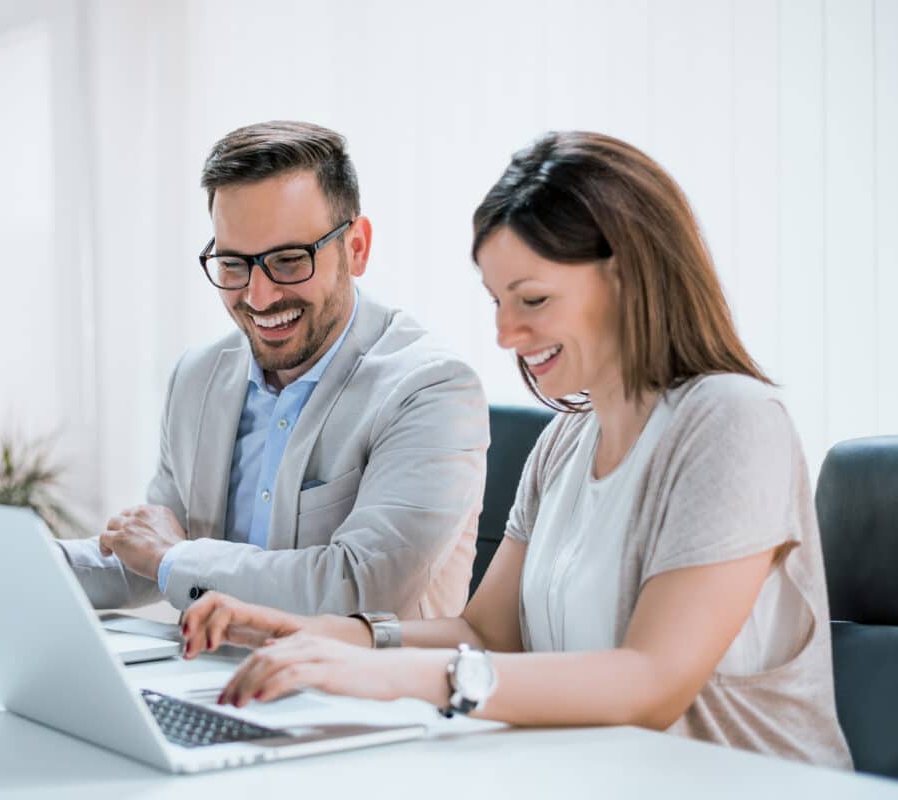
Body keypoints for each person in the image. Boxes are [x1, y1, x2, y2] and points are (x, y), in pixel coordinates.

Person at [180, 131, 853, 769]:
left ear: (630, 278)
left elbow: (649, 683)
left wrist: (391, 674)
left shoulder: (730, 421)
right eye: (496, 300)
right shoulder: (565, 439)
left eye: (531, 298)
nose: (506, 334)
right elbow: (487, 632)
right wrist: (317, 633)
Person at [57, 121, 489, 618]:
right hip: (212, 682)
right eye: (233, 265)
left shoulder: (431, 389)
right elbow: (148, 553)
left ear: (357, 248)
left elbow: (362, 591)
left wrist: (172, 557)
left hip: (359, 690)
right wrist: (18, 563)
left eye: (288, 260)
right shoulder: (197, 377)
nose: (259, 298)